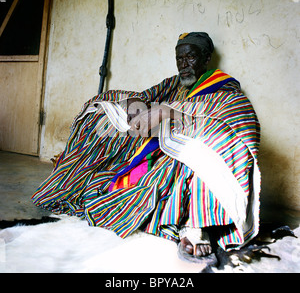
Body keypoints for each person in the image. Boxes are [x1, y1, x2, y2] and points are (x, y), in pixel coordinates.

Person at [32, 32, 261, 261]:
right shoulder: (173, 83)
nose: (184, 64)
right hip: (154, 152)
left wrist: (167, 111)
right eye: (179, 58)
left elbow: (232, 116)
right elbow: (143, 97)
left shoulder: (224, 86)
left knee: (203, 150)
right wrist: (134, 107)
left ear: (206, 57)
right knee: (106, 112)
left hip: (180, 156)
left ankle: (197, 225)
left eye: (190, 57)